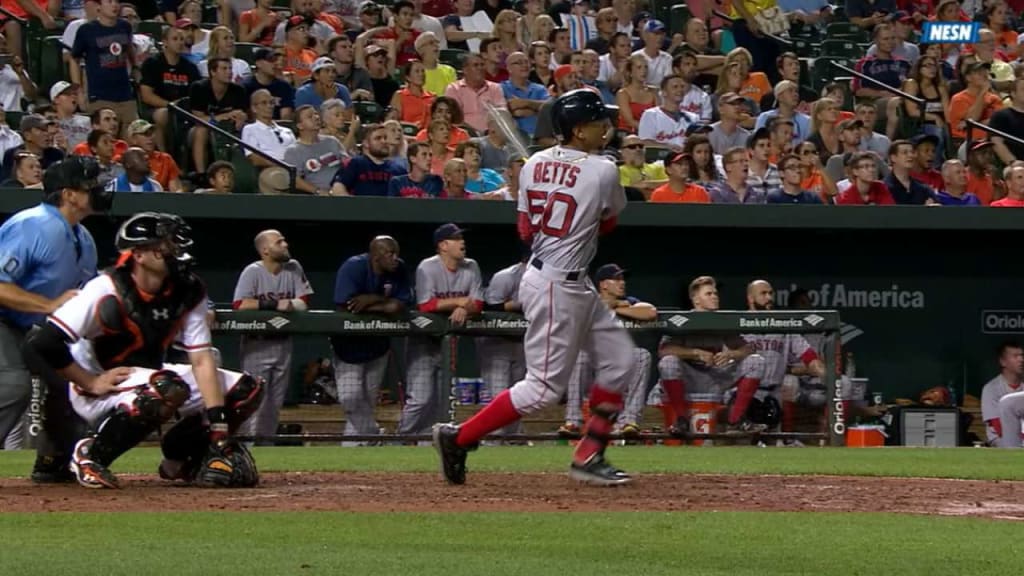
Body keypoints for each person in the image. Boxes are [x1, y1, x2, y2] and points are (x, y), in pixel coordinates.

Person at [433, 89, 637, 486]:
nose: (606, 128)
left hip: (566, 279)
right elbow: (609, 223)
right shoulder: (604, 169)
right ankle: (458, 437)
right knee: (542, 390)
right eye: (598, 122)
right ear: (578, 130)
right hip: (554, 285)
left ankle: (589, 455)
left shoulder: (532, 166)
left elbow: (525, 229)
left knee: (620, 362)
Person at [25, 212, 264, 489]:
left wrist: (218, 427)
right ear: (138, 254)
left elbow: (201, 359)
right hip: (98, 386)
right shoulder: (104, 289)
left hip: (149, 376)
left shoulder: (188, 289)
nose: (175, 250)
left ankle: (182, 458)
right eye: (164, 245)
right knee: (166, 388)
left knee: (247, 390)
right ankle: (91, 454)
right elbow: (45, 342)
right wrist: (89, 381)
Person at [0, 157, 106, 483]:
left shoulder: (83, 236)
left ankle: (54, 459)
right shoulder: (32, 224)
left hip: (38, 327)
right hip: (5, 319)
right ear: (69, 194)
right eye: (91, 186)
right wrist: (48, 303)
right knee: (12, 385)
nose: (100, 191)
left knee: (72, 381)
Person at [656, 275, 767, 437]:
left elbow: (748, 348)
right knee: (668, 363)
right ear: (696, 300)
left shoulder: (721, 320)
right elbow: (663, 351)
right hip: (689, 378)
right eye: (709, 294)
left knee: (756, 362)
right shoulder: (683, 320)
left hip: (716, 376)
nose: (715, 296)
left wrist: (732, 354)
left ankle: (736, 419)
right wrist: (695, 353)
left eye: (715, 293)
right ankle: (681, 419)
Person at [232, 230, 312, 445]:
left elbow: (303, 301)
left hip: (283, 342)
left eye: (284, 240)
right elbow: (240, 305)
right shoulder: (253, 271)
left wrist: (290, 305)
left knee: (274, 404)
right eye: (279, 242)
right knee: (254, 399)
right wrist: (274, 305)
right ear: (265, 250)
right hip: (256, 344)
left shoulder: (293, 267)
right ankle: (245, 446)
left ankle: (266, 448)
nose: (285, 244)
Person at [560, 263, 656, 438]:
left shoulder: (629, 301)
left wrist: (616, 306)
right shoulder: (588, 299)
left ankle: (629, 421)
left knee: (642, 355)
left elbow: (650, 312)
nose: (622, 283)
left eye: (623, 279)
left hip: (616, 371)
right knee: (580, 354)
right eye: (616, 279)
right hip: (590, 371)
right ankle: (573, 421)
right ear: (603, 284)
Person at [981, 341, 1024, 447]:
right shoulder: (991, 389)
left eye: (1022, 356)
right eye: (1015, 356)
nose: (1021, 360)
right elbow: (997, 426)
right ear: (1003, 362)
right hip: (1001, 438)